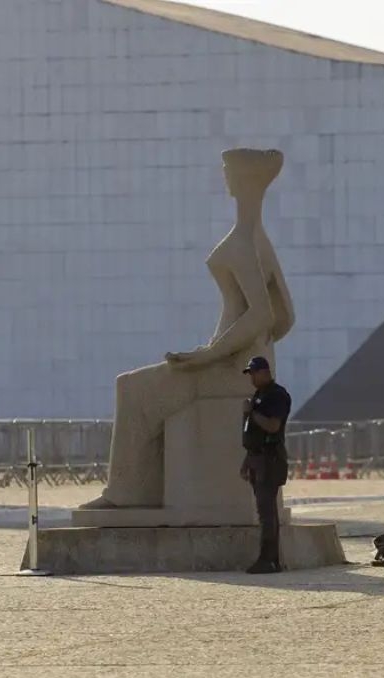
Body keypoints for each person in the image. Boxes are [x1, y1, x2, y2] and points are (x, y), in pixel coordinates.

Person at [80, 148, 294, 509]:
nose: (224, 176)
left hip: (228, 368)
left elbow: (261, 313)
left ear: (242, 179)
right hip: (243, 362)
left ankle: (125, 494)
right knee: (142, 386)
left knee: (131, 389)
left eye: (227, 170)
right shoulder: (261, 240)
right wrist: (259, 347)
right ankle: (141, 491)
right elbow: (284, 316)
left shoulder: (241, 242)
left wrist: (211, 355)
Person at [240, 355, 291, 574]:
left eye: (254, 373)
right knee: (264, 511)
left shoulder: (277, 395)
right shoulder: (259, 395)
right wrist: (247, 460)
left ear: (265, 372)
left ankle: (268, 559)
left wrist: (251, 412)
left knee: (267, 512)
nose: (251, 378)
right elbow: (254, 435)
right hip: (257, 458)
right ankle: (270, 559)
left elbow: (272, 426)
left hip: (269, 459)